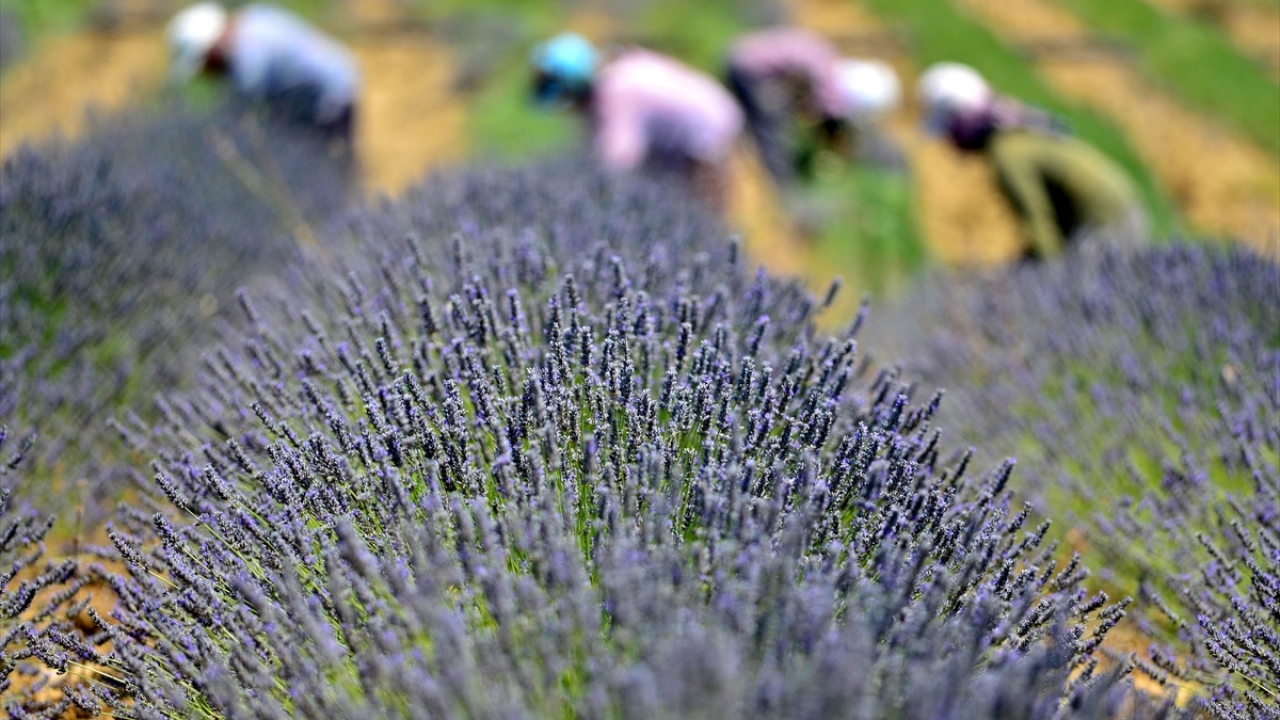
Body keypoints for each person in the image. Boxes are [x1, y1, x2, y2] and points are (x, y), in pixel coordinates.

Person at [917, 62, 1145, 260]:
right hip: (1118, 208)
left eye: (950, 130)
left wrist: (1044, 273)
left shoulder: (1007, 153)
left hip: (1104, 221)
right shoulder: (1016, 129)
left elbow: (1039, 222)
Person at [531, 33, 744, 210]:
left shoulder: (615, 92)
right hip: (718, 112)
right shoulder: (620, 63)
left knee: (704, 210)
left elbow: (620, 161)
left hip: (708, 134)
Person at [166, 3, 360, 152]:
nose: (208, 74)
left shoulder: (248, 52)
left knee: (330, 164)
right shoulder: (251, 20)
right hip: (326, 88)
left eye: (206, 64)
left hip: (331, 96)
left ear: (212, 48)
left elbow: (244, 111)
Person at [725, 27, 901, 184]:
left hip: (744, 53)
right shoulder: (829, 86)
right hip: (748, 69)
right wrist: (839, 147)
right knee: (771, 126)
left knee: (778, 110)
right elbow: (826, 121)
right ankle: (781, 184)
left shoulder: (829, 61)